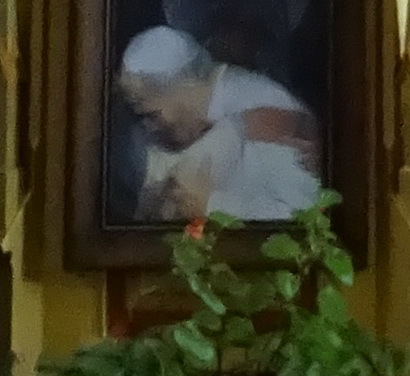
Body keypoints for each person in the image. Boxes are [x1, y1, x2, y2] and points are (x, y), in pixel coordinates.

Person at [113, 23, 321, 227]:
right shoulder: (189, 124)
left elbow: (308, 219)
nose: (148, 128)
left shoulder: (268, 109)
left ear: (185, 86)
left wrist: (211, 205)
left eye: (152, 115)